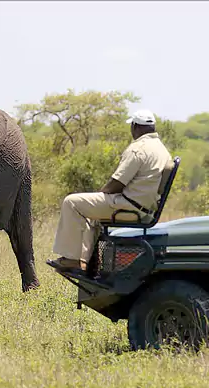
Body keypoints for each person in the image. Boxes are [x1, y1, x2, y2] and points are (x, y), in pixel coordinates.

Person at [48, 109, 172, 271]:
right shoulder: (161, 149)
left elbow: (117, 184)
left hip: (128, 206)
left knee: (71, 202)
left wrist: (101, 193)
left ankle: (71, 258)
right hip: (144, 208)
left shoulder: (138, 149)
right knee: (92, 212)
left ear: (135, 127)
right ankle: (88, 261)